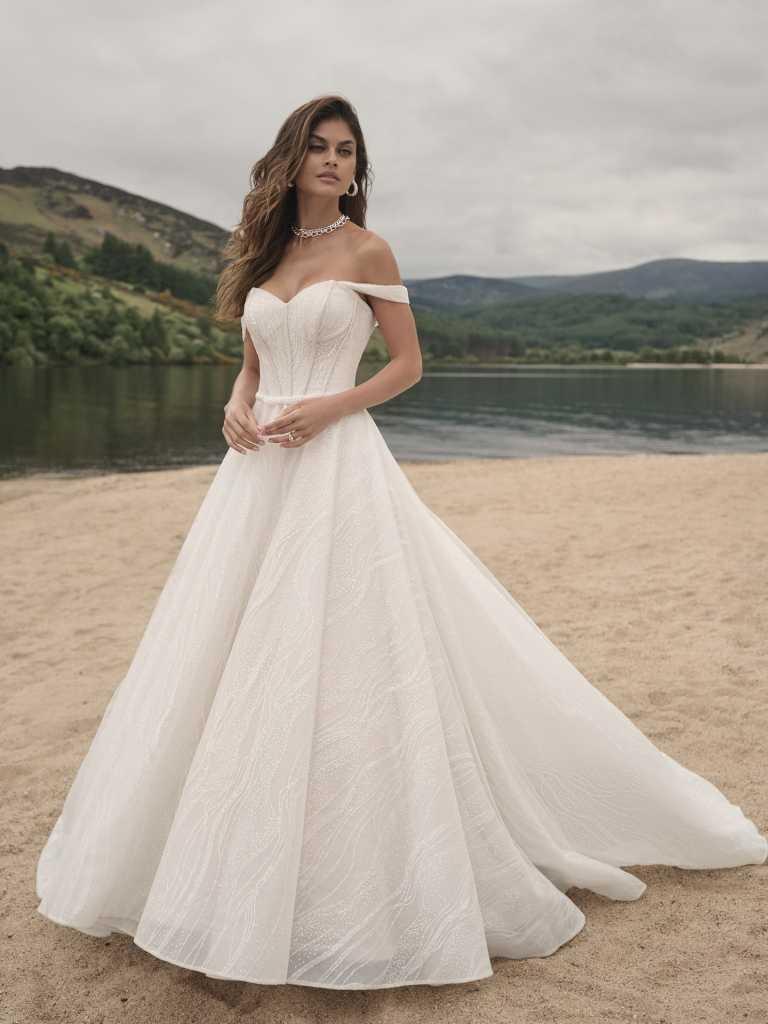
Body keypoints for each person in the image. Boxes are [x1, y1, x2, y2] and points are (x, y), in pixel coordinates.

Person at [36, 94, 767, 991]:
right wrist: (235, 401)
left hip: (335, 462)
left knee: (338, 651)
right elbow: (256, 359)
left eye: (348, 151)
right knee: (225, 650)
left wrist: (328, 406)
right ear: (291, 159)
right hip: (257, 470)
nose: (335, 162)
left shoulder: (367, 251)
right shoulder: (265, 254)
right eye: (320, 147)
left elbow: (406, 366)